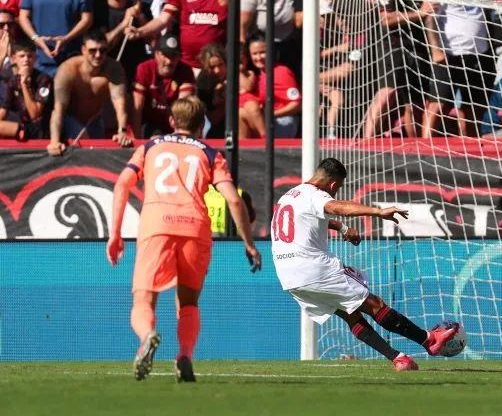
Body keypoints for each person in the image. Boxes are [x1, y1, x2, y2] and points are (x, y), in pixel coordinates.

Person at [107, 96, 261, 382]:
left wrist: (115, 233)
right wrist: (249, 243)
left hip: (156, 225)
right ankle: (185, 356)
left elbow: (122, 185)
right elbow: (234, 201)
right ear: (202, 125)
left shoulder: (150, 147)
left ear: (171, 122)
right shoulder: (210, 153)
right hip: (195, 228)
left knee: (144, 299)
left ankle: (147, 336)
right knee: (188, 302)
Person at [272, 157, 458, 371]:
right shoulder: (318, 195)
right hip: (314, 268)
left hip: (288, 277)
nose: (335, 192)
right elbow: (336, 207)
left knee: (351, 314)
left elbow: (310, 219)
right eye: (338, 188)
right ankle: (428, 340)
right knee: (374, 305)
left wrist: (342, 229)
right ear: (334, 185)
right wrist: (378, 212)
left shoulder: (290, 196)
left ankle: (399, 359)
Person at [47, 29, 132, 156]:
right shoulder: (68, 70)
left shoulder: (113, 69)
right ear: (83, 50)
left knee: (99, 154)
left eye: (103, 50)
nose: (98, 55)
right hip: (71, 118)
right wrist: (54, 141)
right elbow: (58, 109)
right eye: (92, 51)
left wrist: (122, 131)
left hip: (95, 119)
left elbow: (120, 103)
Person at [132, 34, 197, 138]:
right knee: (156, 138)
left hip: (175, 124)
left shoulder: (186, 71)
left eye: (173, 56)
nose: (169, 61)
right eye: (165, 55)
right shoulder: (145, 69)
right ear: (156, 54)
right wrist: (137, 140)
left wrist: (180, 137)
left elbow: (183, 108)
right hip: (149, 124)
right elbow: (137, 107)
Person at [0, 40, 51, 140]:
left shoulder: (43, 79)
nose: (26, 60)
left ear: (35, 59)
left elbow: (34, 114)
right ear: (14, 59)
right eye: (22, 56)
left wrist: (24, 84)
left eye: (30, 56)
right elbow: (3, 110)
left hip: (38, 128)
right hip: (20, 125)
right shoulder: (13, 81)